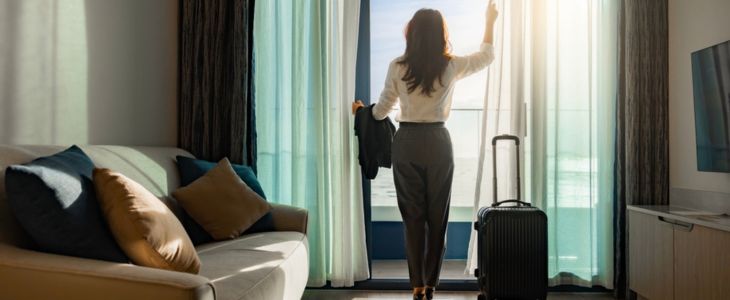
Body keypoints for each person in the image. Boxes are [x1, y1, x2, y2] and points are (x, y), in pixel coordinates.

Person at [353, 1, 498, 299]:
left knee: (414, 220)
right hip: (439, 143)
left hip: (406, 143)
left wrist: (360, 112)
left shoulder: (397, 66)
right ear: (440, 34)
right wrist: (489, 21)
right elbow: (486, 57)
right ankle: (431, 284)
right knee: (437, 218)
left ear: (412, 34)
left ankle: (417, 285)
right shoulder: (450, 65)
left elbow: (380, 113)